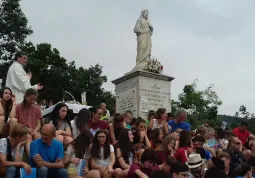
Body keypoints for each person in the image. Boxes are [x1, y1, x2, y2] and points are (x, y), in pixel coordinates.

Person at [10, 88, 42, 157]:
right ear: (26, 97)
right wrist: (26, 128)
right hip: (23, 130)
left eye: (34, 99)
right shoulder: (18, 107)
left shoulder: (37, 109)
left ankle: (40, 156)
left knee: (38, 135)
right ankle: (31, 157)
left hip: (33, 130)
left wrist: (35, 130)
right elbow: (14, 121)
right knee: (28, 136)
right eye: (31, 99)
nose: (33, 101)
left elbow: (39, 124)